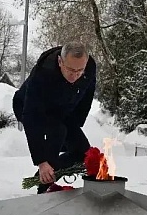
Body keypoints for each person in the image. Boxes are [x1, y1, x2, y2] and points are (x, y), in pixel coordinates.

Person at [13, 41, 97, 193]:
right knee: (58, 132)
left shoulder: (89, 67)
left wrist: (75, 129)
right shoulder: (44, 73)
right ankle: (43, 189)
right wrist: (41, 161)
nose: (75, 75)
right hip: (30, 107)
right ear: (60, 61)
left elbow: (86, 98)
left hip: (62, 110)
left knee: (83, 153)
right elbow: (31, 116)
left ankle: (44, 176)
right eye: (70, 70)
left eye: (79, 71)